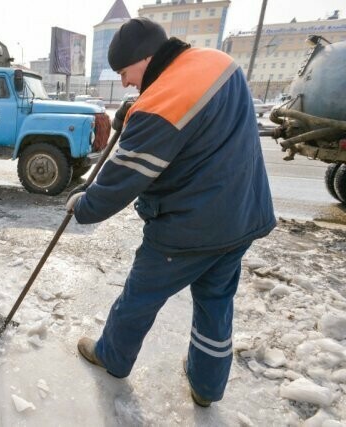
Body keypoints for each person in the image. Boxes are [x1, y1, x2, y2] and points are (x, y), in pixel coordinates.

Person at [66, 17, 275, 407]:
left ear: (144, 59)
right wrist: (135, 112)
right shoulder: (217, 63)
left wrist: (84, 204)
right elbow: (197, 130)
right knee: (215, 304)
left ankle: (112, 356)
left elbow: (125, 176)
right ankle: (207, 386)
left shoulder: (162, 101)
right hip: (243, 216)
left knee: (140, 296)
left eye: (124, 73)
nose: (125, 82)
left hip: (189, 228)